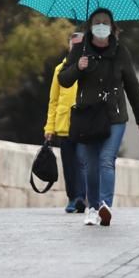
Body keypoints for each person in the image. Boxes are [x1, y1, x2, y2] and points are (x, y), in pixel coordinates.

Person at [58, 8, 139, 227]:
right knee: (91, 164)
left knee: (106, 159)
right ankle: (92, 207)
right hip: (88, 116)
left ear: (112, 27)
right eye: (97, 23)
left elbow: (132, 85)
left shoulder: (120, 52)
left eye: (105, 23)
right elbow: (64, 79)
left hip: (114, 115)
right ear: (90, 27)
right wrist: (78, 68)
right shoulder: (80, 49)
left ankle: (104, 206)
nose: (101, 26)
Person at [43, 32, 87, 214]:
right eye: (73, 45)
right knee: (69, 164)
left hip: (85, 124)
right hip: (64, 124)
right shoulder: (60, 69)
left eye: (80, 45)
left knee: (83, 162)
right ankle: (72, 197)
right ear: (69, 47)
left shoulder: (90, 67)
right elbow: (53, 100)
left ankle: (82, 197)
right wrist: (49, 127)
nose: (75, 48)